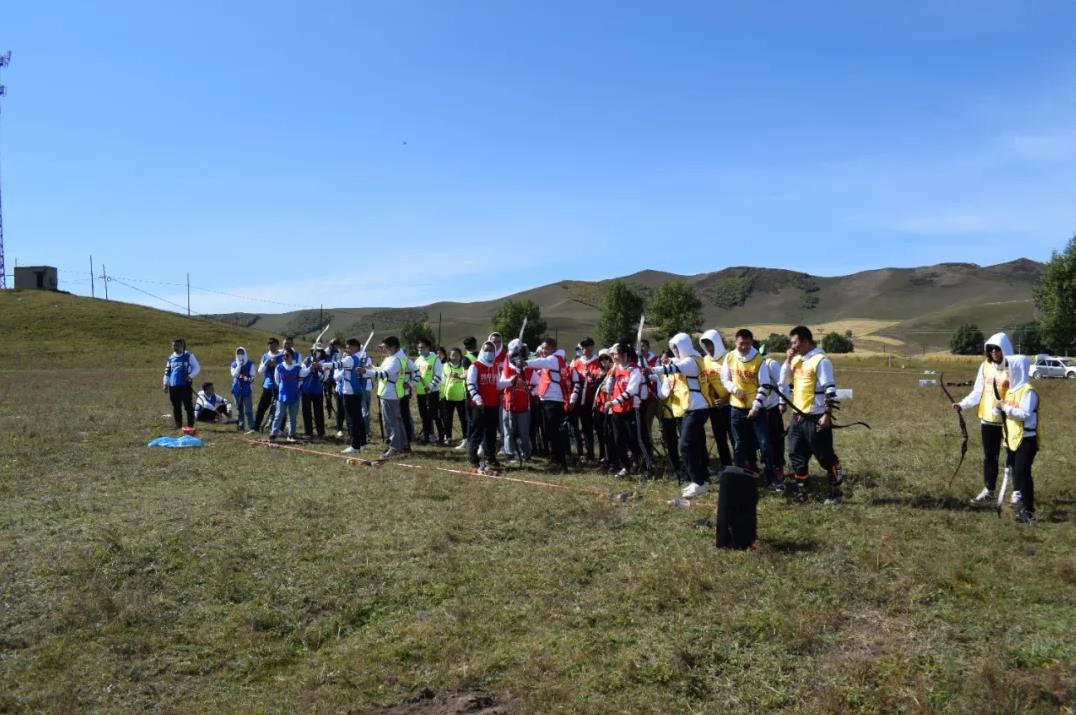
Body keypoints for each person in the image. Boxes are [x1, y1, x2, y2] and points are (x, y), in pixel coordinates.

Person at [644, 333, 715, 498]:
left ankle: (697, 482)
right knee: (695, 445)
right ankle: (700, 480)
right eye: (672, 349)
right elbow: (671, 368)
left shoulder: (692, 360)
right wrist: (651, 374)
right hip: (689, 409)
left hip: (698, 408)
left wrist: (652, 369)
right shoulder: (684, 360)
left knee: (684, 445)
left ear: (683, 346)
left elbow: (674, 368)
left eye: (676, 348)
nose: (674, 352)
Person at [779, 325, 844, 504]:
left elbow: (830, 389)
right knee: (795, 454)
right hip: (797, 418)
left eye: (795, 343)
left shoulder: (820, 360)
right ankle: (802, 490)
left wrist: (827, 414)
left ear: (806, 341)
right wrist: (787, 360)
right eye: (790, 343)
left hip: (815, 417)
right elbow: (783, 381)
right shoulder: (797, 359)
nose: (792, 346)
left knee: (825, 457)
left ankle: (836, 491)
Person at [954, 332, 1014, 504]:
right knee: (990, 457)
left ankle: (1017, 493)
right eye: (991, 349)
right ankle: (989, 491)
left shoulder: (1013, 367)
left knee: (1013, 456)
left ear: (1005, 350)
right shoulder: (985, 366)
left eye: (997, 349)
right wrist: (962, 404)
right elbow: (978, 391)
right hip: (987, 420)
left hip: (1009, 420)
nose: (994, 352)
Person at [721, 329, 780, 491]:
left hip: (756, 410)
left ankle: (771, 477)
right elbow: (724, 379)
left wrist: (755, 407)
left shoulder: (758, 360)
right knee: (739, 445)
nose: (744, 347)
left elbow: (765, 386)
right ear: (735, 342)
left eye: (747, 344)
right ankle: (738, 479)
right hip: (736, 408)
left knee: (764, 444)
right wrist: (733, 389)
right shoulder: (730, 357)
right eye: (741, 344)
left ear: (752, 342)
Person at [996, 354, 1039, 524]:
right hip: (1013, 439)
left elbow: (1024, 414)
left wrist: (1004, 406)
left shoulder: (1028, 391)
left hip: (1027, 440)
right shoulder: (1011, 390)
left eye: (1009, 367)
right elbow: (1004, 413)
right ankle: (1022, 508)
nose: (1007, 370)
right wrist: (997, 407)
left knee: (1022, 473)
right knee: (1017, 473)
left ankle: (1029, 512)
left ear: (1017, 368)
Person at [524, 336, 572, 473]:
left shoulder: (553, 359)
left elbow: (539, 362)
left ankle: (561, 463)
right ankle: (555, 459)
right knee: (550, 433)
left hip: (553, 400)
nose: (544, 350)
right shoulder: (555, 359)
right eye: (543, 348)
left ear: (553, 348)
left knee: (554, 433)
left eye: (547, 348)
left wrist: (524, 363)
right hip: (548, 399)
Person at [360, 336, 410, 458]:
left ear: (392, 347)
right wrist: (372, 368)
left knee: (392, 422)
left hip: (390, 394)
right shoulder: (393, 358)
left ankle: (395, 448)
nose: (384, 350)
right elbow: (382, 369)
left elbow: (384, 374)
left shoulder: (396, 359)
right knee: (396, 421)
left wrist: (365, 372)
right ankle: (403, 446)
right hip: (389, 393)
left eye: (386, 347)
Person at [322, 337, 368, 454]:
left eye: (348, 347)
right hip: (355, 391)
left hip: (350, 392)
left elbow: (337, 364)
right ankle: (362, 443)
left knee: (352, 419)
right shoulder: (358, 357)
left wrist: (322, 364)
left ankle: (354, 445)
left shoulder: (351, 359)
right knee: (358, 418)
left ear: (355, 347)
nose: (346, 349)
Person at [604, 342, 644, 477]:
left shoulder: (634, 369)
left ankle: (643, 465)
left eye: (615, 354)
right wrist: (611, 374)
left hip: (630, 410)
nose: (613, 357)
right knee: (618, 440)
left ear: (624, 355)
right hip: (616, 411)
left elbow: (631, 391)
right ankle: (626, 467)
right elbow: (607, 387)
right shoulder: (616, 368)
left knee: (633, 439)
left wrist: (613, 402)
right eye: (612, 354)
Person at [699, 329, 734, 469]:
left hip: (731, 403)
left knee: (735, 438)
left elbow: (737, 382)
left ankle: (740, 466)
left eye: (711, 344)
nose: (709, 348)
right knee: (720, 438)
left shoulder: (729, 357)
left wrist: (726, 398)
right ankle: (727, 467)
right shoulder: (706, 360)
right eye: (706, 345)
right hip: (715, 405)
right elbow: (706, 379)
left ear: (718, 343)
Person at [466, 340, 502, 473]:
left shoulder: (494, 366)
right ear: (482, 351)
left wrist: (510, 382)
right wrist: (478, 399)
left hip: (493, 404)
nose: (489, 353)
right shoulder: (475, 366)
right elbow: (471, 384)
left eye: (491, 351)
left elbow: (498, 385)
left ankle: (490, 457)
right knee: (477, 432)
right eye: (486, 350)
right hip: (479, 405)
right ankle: (473, 457)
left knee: (491, 433)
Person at [569, 337, 601, 463]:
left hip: (592, 400)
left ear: (592, 346)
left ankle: (592, 453)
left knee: (590, 427)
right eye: (582, 346)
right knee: (580, 427)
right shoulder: (577, 362)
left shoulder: (598, 361)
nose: (584, 349)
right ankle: (582, 453)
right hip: (579, 400)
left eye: (587, 346)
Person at [500, 338, 533, 462]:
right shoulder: (507, 369)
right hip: (508, 404)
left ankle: (527, 453)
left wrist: (530, 389)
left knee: (524, 432)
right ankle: (510, 454)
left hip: (524, 406)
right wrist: (510, 381)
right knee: (508, 431)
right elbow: (500, 384)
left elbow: (537, 385)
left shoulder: (528, 368)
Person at [270, 348, 310, 442]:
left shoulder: (297, 367)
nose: (285, 357)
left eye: (287, 355)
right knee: (278, 415)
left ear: (292, 356)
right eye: (283, 355)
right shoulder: (279, 367)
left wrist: (311, 367)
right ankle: (273, 434)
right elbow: (277, 381)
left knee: (292, 417)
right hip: (282, 395)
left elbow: (304, 373)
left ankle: (291, 435)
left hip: (294, 395)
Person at [657, 349, 683, 478]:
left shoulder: (680, 372)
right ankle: (675, 468)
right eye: (662, 362)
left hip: (681, 412)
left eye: (666, 361)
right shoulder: (661, 375)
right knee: (671, 442)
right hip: (667, 413)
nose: (664, 364)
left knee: (685, 441)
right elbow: (660, 394)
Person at [163, 338, 200, 430]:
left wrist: (190, 376)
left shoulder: (189, 355)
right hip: (173, 386)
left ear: (182, 346)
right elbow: (167, 372)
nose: (175, 347)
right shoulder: (171, 358)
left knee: (188, 406)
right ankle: (178, 424)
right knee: (176, 406)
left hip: (185, 385)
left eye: (177, 345)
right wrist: (165, 384)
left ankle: (190, 425)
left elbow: (197, 367)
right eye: (174, 345)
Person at [414, 340, 444, 445]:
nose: (419, 350)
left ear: (428, 348)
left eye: (421, 347)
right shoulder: (418, 360)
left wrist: (431, 386)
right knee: (424, 416)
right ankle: (426, 438)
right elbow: (415, 374)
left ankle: (441, 438)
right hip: (421, 393)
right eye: (418, 348)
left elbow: (439, 375)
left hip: (432, 393)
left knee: (435, 415)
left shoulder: (435, 359)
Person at [254, 337, 282, 431]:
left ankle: (279, 429)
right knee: (262, 407)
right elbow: (260, 371)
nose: (271, 346)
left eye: (273, 344)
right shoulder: (265, 356)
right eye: (269, 344)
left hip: (279, 385)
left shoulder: (282, 356)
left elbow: (285, 369)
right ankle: (256, 427)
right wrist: (266, 363)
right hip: (268, 385)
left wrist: (276, 365)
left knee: (280, 408)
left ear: (277, 345)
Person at [440, 347, 468, 444]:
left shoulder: (464, 366)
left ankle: (465, 437)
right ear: (449, 356)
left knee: (463, 418)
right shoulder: (445, 366)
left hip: (461, 397)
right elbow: (445, 378)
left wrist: (461, 376)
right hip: (448, 397)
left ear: (460, 356)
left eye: (456, 355)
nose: (454, 357)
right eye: (452, 355)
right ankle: (448, 437)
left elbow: (466, 377)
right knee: (448, 418)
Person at [301, 349, 328, 440]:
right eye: (316, 351)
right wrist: (310, 369)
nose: (317, 353)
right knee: (306, 412)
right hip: (306, 390)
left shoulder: (324, 363)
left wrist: (318, 370)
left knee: (319, 412)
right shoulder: (306, 360)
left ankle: (321, 432)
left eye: (319, 351)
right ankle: (308, 432)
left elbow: (324, 378)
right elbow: (301, 373)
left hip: (318, 391)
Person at [230, 346, 256, 432]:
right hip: (236, 388)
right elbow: (234, 374)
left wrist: (246, 378)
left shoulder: (250, 364)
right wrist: (239, 365)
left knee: (248, 409)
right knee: (239, 408)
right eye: (238, 353)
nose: (240, 355)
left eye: (242, 353)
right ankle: (240, 425)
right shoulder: (234, 364)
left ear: (245, 353)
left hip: (246, 388)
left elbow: (253, 377)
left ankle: (251, 426)